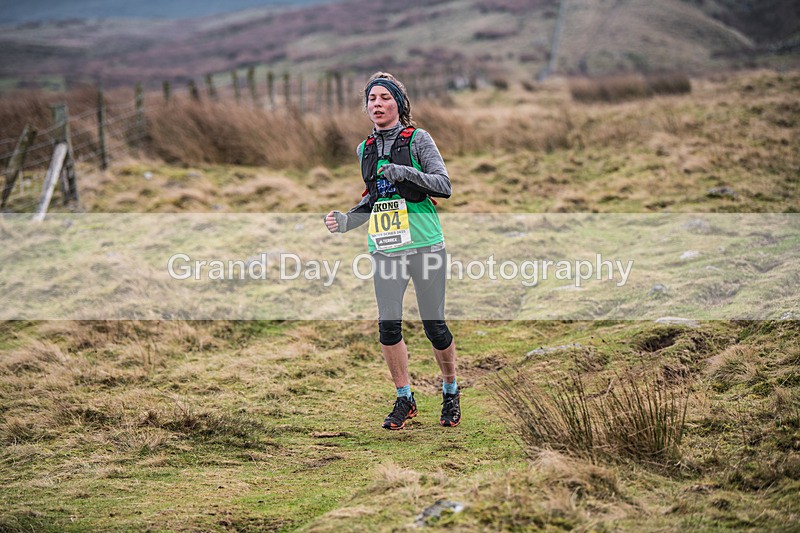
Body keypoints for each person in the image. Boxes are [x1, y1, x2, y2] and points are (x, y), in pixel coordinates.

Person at [324, 71, 460, 430]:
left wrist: (405, 172)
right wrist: (347, 219)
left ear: (398, 104)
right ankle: (405, 398)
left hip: (425, 243)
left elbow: (443, 185)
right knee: (388, 326)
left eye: (385, 98)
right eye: (372, 99)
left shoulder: (418, 139)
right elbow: (374, 197)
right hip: (385, 247)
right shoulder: (364, 149)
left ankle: (450, 390)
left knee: (435, 326)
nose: (377, 104)